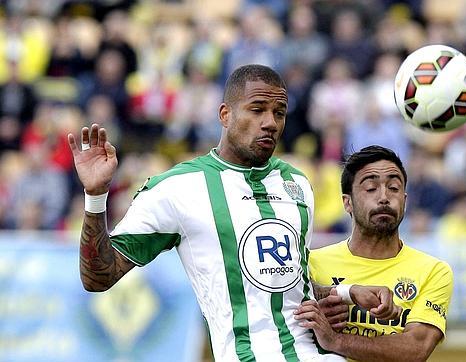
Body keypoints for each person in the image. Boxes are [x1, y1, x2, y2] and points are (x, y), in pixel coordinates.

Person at [68, 64, 399, 362]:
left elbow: (287, 284)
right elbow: (98, 277)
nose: (270, 122)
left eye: (279, 112)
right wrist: (95, 197)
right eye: (257, 110)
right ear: (225, 115)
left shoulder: (296, 183)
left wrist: (345, 293)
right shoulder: (177, 189)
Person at [297, 145, 454, 361]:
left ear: (405, 202)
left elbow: (415, 349)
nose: (384, 197)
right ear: (347, 202)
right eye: (371, 188)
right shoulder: (312, 263)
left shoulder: (433, 271)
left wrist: (336, 340)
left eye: (394, 188)